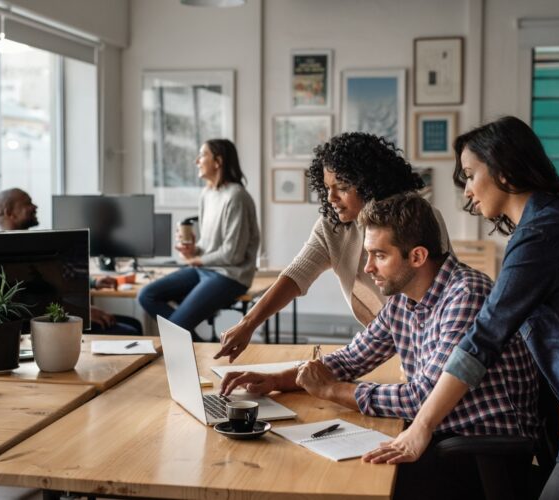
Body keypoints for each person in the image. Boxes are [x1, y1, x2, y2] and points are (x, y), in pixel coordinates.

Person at [365, 116, 559, 500]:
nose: (467, 192)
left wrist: (420, 428)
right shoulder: (547, 226)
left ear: (503, 169)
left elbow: (482, 340)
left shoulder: (542, 235)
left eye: (470, 175)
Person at [221, 193, 539, 500]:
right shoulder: (404, 297)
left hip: (479, 452)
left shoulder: (466, 295)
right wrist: (279, 379)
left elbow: (421, 397)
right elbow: (352, 359)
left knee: (338, 481)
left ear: (417, 256)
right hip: (438, 436)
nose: (368, 267)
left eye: (379, 255)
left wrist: (331, 391)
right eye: (368, 254)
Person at [215, 132, 451, 362]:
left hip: (429, 341)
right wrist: (248, 324)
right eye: (327, 187)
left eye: (342, 187)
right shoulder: (333, 226)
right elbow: (296, 274)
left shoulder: (416, 218)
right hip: (381, 342)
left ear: (370, 184)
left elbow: (437, 296)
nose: (331, 198)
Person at [138, 139, 259, 341]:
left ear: (218, 161)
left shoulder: (236, 197)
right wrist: (193, 250)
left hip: (230, 276)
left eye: (202, 155)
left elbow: (233, 254)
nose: (196, 160)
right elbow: (208, 246)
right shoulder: (207, 194)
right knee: (146, 295)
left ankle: (190, 345)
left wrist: (197, 260)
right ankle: (198, 345)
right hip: (205, 270)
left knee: (175, 327)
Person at [0, 188, 141, 334]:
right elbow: (32, 304)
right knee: (130, 331)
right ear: (9, 212)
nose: (35, 207)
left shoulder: (29, 245)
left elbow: (57, 280)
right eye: (27, 203)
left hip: (61, 313)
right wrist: (82, 313)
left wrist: (94, 283)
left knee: (134, 323)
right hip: (47, 324)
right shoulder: (6, 254)